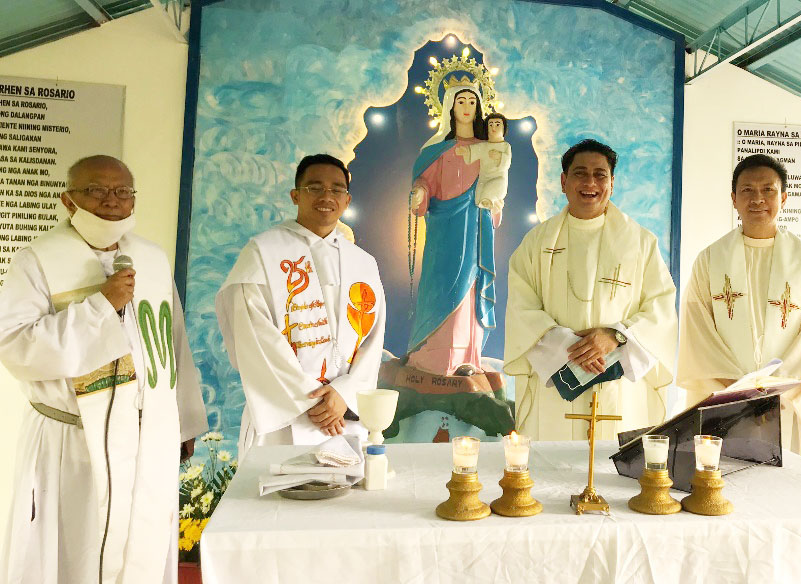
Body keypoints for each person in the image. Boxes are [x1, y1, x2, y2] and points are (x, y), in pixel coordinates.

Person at [0, 155, 208, 583]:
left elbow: (173, 342)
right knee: (76, 549)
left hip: (147, 434)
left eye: (122, 191)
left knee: (142, 546)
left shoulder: (150, 258)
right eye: (96, 190)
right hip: (73, 439)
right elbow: (15, 346)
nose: (111, 201)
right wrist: (100, 307)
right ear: (68, 199)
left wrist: (183, 420)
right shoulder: (37, 260)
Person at [504, 139, 677, 440]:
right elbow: (522, 308)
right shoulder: (535, 244)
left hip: (618, 381)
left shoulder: (640, 243)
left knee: (616, 475)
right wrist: (571, 349)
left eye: (600, 174)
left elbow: (661, 307)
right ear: (563, 181)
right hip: (558, 379)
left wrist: (615, 336)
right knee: (552, 478)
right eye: (580, 173)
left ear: (612, 182)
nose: (590, 183)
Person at [217, 154, 386, 460]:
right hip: (283, 421)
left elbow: (373, 340)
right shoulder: (263, 253)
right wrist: (313, 401)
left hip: (345, 419)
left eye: (336, 190)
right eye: (314, 188)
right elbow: (253, 335)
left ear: (347, 201)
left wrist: (344, 395)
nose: (326, 197)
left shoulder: (363, 263)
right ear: (295, 195)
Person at [677, 154, 801, 466]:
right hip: (725, 401)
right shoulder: (709, 260)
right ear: (734, 199)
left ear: (784, 198)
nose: (758, 199)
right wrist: (736, 392)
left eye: (768, 190)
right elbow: (698, 329)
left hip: (784, 402)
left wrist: (775, 390)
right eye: (747, 191)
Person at [407, 82, 498, 376]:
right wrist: (420, 192)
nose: (467, 106)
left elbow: (498, 183)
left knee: (469, 290)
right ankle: (430, 360)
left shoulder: (489, 151)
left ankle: (466, 358)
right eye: (461, 101)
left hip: (475, 230)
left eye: (473, 101)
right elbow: (425, 181)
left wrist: (495, 203)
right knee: (440, 286)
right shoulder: (437, 150)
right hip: (444, 232)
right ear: (450, 107)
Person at [458, 112, 511, 212]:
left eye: (497, 124)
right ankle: (485, 202)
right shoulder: (484, 146)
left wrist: (500, 156)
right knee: (480, 193)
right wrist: (465, 151)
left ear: (504, 128)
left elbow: (507, 162)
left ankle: (489, 200)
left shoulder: (505, 146)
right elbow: (474, 150)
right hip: (484, 178)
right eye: (490, 124)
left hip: (499, 178)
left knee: (494, 187)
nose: (493, 127)